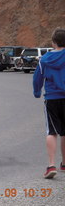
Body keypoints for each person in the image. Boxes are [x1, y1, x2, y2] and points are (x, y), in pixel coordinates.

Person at [33, 27, 65, 179]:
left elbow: (37, 78)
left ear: (53, 42)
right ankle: (64, 163)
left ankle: (51, 165)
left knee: (51, 131)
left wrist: (37, 92)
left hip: (52, 98)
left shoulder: (44, 59)